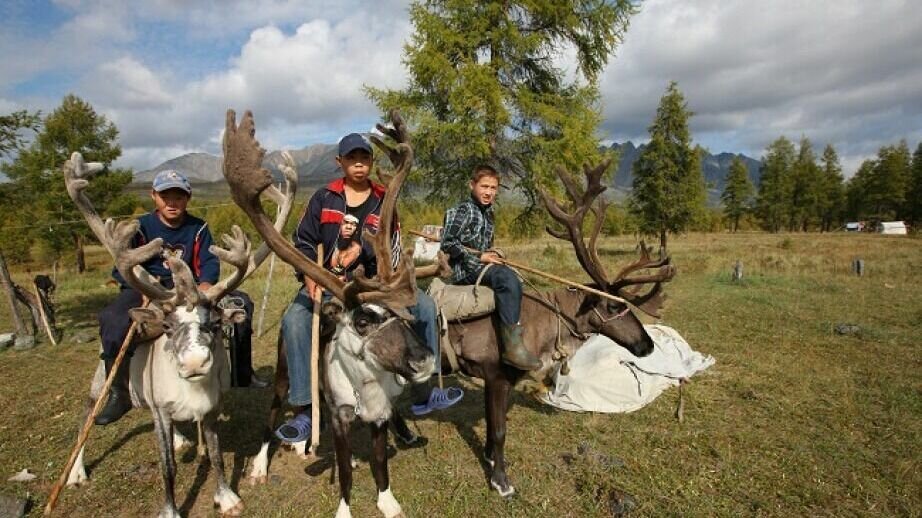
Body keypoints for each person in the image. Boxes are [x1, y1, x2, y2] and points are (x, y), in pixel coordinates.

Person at [276, 132, 463, 443]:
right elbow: (303, 243)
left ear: (371, 161)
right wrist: (310, 276)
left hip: (376, 287)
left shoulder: (383, 200)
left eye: (364, 158)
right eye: (352, 159)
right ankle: (306, 409)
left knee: (426, 307)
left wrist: (393, 280)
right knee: (294, 321)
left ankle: (422, 391)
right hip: (329, 283)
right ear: (340, 163)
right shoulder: (323, 199)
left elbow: (395, 245)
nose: (359, 164)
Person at [95, 170, 265, 426]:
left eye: (178, 196)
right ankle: (119, 393)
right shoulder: (141, 227)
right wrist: (143, 287)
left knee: (241, 305)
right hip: (147, 291)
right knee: (112, 320)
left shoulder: (198, 227)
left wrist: (207, 283)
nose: (172, 202)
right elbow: (121, 266)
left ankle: (241, 372)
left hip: (191, 292)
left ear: (188, 198)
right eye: (166, 196)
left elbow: (208, 260)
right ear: (154, 197)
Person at [440, 165, 542, 371]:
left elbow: (484, 247)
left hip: (480, 266)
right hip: (466, 270)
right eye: (484, 186)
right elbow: (448, 243)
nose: (488, 192)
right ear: (472, 185)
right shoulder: (463, 210)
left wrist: (492, 254)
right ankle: (512, 349)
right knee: (507, 280)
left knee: (515, 278)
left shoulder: (488, 214)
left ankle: (511, 333)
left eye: (493, 188)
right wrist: (481, 256)